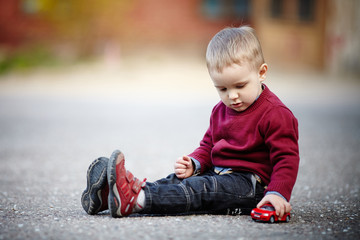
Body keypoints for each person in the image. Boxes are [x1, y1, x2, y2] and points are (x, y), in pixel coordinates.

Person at [81, 26, 299, 219]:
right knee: (178, 180)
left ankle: (136, 200)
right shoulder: (220, 110)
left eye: (240, 86)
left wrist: (277, 194)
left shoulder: (275, 113)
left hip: (250, 186)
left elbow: (286, 158)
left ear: (261, 73)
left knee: (199, 189)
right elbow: (208, 146)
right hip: (218, 173)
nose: (232, 96)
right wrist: (195, 163)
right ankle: (114, 194)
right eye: (222, 89)